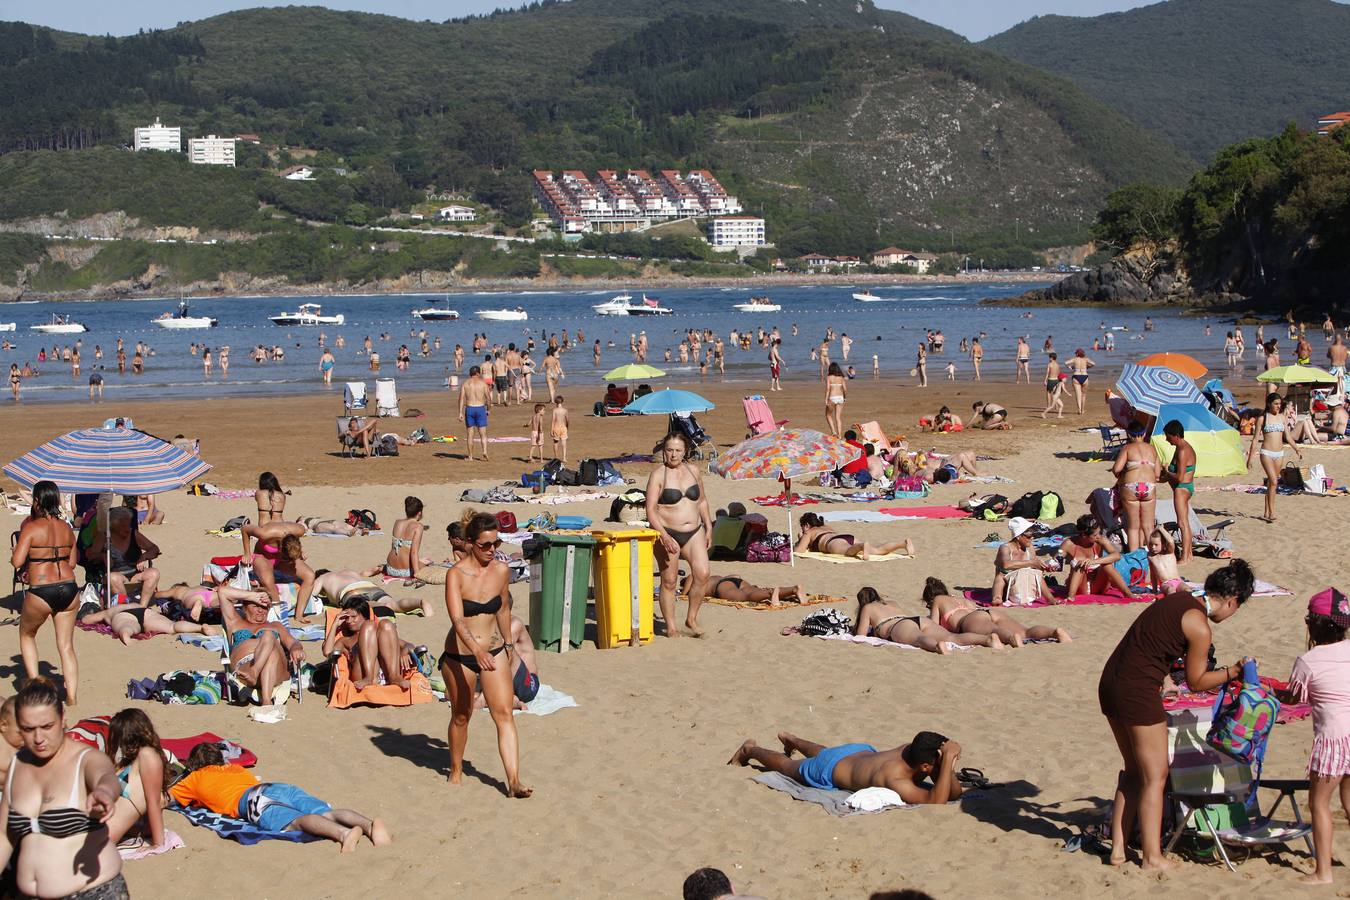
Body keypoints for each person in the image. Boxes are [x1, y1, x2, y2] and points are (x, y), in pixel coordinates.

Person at [1098, 559, 1256, 870]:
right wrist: (1233, 671)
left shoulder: (1177, 600)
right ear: (1232, 600)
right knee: (1155, 775)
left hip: (1110, 683)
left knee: (1133, 771)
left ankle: (1118, 851)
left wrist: (1165, 677)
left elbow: (1149, 644)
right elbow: (1197, 681)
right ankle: (1153, 857)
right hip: (1136, 691)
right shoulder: (1199, 624)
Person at [0, 678, 125, 899]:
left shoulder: (84, 759)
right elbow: (4, 836)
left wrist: (104, 792)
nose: (39, 738)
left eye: (47, 727)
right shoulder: (18, 765)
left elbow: (105, 776)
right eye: (28, 729)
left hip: (93, 892)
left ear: (63, 719)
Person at [439, 513, 530, 797]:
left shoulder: (501, 571)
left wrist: (509, 645)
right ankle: (455, 770)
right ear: (469, 544)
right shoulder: (456, 574)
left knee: (504, 714)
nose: (492, 550)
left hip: (494, 651)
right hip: (461, 655)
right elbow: (457, 619)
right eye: (485, 545)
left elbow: (502, 609)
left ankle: (513, 780)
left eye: (496, 543)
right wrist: (476, 651)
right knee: (462, 716)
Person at [170, 742, 389, 852]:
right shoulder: (234, 769)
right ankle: (369, 825)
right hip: (275, 786)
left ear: (195, 765)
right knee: (326, 812)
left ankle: (344, 834)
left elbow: (169, 798)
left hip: (252, 800)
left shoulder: (194, 778)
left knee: (296, 822)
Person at [1281, 588, 1350, 884]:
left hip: (1333, 737)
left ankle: (1323, 872)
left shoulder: (1309, 660)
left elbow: (1295, 698)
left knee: (1319, 803)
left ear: (1314, 625)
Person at [727, 730, 963, 805]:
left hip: (857, 752)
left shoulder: (911, 748)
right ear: (924, 767)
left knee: (825, 752)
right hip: (828, 770)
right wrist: (948, 762)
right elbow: (937, 801)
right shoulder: (895, 779)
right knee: (788, 766)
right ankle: (750, 750)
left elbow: (953, 793)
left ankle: (793, 740)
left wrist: (945, 763)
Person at [10, 481, 80, 704]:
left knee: (27, 635)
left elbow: (17, 561)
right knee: (66, 645)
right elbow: (73, 561)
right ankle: (71, 696)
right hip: (69, 587)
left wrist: (21, 553)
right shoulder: (66, 527)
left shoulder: (31, 527)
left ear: (37, 501)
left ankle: (37, 691)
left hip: (42, 589)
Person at [646, 432, 714, 637]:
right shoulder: (658, 475)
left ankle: (691, 618)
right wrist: (664, 536)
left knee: (702, 574)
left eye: (678, 450)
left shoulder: (693, 471)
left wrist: (709, 526)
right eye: (669, 450)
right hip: (668, 532)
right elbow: (650, 509)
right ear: (664, 451)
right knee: (669, 581)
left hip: (694, 531)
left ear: (685, 451)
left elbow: (701, 500)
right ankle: (671, 627)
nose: (673, 454)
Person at [219, 585, 306, 705]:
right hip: (245, 668)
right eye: (255, 606)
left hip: (274, 670)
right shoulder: (235, 622)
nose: (260, 610)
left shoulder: (276, 626)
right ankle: (266, 702)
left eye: (264, 607)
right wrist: (253, 596)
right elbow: (222, 591)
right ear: (245, 608)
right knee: (269, 644)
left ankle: (256, 674)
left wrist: (296, 648)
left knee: (268, 636)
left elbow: (292, 642)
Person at [924, 577, 1069, 646]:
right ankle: (1054, 632)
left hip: (970, 620)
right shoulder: (959, 599)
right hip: (987, 612)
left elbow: (934, 626)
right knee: (1025, 631)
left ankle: (1012, 638)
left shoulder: (937, 601)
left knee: (995, 631)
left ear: (930, 599)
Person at [856, 586, 999, 653]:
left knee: (919, 638)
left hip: (898, 626)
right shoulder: (892, 603)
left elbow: (861, 636)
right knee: (952, 637)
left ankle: (936, 647)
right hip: (918, 619)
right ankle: (986, 639)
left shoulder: (867, 608)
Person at [102, 708, 169, 850]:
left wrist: (157, 844)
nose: (119, 743)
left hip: (101, 834)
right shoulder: (130, 761)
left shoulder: (148, 755)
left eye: (120, 736)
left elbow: (153, 802)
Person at [322, 599, 417, 690]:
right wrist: (335, 624)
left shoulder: (381, 633)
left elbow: (409, 645)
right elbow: (327, 652)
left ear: (365, 617)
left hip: (386, 674)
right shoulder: (345, 640)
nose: (349, 621)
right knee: (369, 626)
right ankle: (368, 677)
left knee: (386, 623)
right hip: (361, 676)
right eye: (346, 618)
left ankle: (394, 676)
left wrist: (405, 652)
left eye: (354, 617)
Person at [240, 521, 318, 622]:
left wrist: (299, 553)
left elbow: (295, 543)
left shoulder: (300, 530)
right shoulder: (266, 533)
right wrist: (247, 553)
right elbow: (245, 529)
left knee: (310, 576)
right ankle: (279, 615)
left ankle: (299, 615)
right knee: (268, 582)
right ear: (280, 548)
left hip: (282, 559)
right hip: (263, 556)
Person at [1247, 392, 1302, 523]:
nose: (1278, 406)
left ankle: (1266, 512)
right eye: (1276, 404)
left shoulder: (1282, 417)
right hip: (1266, 453)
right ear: (1269, 404)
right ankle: (1271, 513)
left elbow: (1288, 437)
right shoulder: (1262, 418)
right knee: (1274, 482)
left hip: (1279, 454)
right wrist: (1250, 458)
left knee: (1272, 484)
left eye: (1280, 404)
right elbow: (1255, 440)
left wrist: (1297, 449)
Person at [1111, 422, 1160, 550]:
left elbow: (1116, 469)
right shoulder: (1152, 449)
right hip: (1149, 487)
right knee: (1148, 526)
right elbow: (1158, 474)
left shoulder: (1127, 448)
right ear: (1144, 434)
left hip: (1131, 487)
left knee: (1133, 527)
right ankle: (1151, 555)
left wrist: (1123, 476)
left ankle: (1134, 558)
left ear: (1128, 434)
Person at [1057, 515, 1130, 598]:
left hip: (1097, 585)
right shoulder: (1069, 544)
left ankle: (1127, 593)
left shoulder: (1100, 540)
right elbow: (1056, 562)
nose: (1098, 536)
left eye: (1099, 532)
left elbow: (1117, 555)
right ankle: (1070, 597)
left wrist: (1094, 561)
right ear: (1084, 535)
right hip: (1079, 587)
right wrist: (1051, 565)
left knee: (1107, 565)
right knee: (1080, 565)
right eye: (1095, 535)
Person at [79, 601, 214, 645]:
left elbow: (86, 620)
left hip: (124, 615)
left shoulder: (107, 612)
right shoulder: (129, 603)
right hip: (145, 611)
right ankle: (200, 628)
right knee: (172, 626)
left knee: (126, 626)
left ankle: (126, 635)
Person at [313, 568, 434, 617]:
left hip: (350, 592)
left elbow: (311, 594)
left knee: (363, 605)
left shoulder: (323, 578)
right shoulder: (347, 571)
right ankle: (420, 603)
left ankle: (380, 606)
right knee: (395, 605)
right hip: (369, 586)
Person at [795, 512, 914, 561]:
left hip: (832, 542)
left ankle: (861, 546)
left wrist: (801, 537)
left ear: (806, 525)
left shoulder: (809, 532)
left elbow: (799, 551)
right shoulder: (826, 527)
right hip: (845, 536)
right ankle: (902, 544)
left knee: (848, 551)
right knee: (877, 550)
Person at [991, 517, 1056, 606]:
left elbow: (1035, 567)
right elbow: (1006, 565)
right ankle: (997, 598)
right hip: (1007, 587)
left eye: (1033, 535)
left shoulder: (1030, 548)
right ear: (1018, 536)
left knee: (1037, 573)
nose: (1032, 538)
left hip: (1024, 586)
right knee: (1000, 576)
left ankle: (1050, 599)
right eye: (1029, 536)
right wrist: (1032, 562)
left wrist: (1045, 567)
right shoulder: (1005, 548)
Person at [1158, 419, 1197, 563]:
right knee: (1184, 522)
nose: (1166, 439)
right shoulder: (1180, 448)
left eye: (1168, 436)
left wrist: (1167, 471)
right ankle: (1189, 554)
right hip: (1182, 488)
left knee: (1182, 523)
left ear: (1176, 435)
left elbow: (1179, 477)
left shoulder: (1183, 451)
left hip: (1182, 489)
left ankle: (1185, 557)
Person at [385, 496, 425, 580]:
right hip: (405, 571)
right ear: (419, 513)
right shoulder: (418, 527)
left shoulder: (397, 522)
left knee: (421, 561)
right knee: (426, 565)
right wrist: (417, 574)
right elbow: (413, 552)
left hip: (390, 568)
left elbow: (393, 547)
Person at [460, 364, 492, 460]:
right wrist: (488, 409)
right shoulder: (483, 383)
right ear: (478, 373)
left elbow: (461, 399)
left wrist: (460, 413)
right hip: (480, 408)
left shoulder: (465, 383)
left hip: (470, 408)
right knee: (483, 433)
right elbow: (488, 399)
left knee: (470, 434)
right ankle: (485, 451)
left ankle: (470, 456)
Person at [1145, 529, 1184, 595]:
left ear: (1163, 544)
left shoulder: (1169, 552)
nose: (1153, 547)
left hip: (1177, 581)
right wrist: (1154, 590)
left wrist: (1161, 528)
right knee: (1170, 590)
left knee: (1187, 589)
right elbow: (1153, 574)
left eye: (1156, 545)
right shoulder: (1151, 556)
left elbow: (1171, 541)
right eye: (1151, 544)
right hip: (1165, 584)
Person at [1068, 349, 1095, 415]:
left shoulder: (1075, 359)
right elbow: (1093, 363)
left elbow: (1066, 363)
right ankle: (1082, 410)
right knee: (1084, 395)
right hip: (1084, 376)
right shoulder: (1086, 359)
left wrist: (1070, 367)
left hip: (1076, 376)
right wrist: (1088, 367)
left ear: (1077, 354)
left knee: (1078, 395)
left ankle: (1079, 409)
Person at [824, 362, 847, 436]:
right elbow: (845, 389)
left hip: (832, 397)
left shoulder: (829, 377)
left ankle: (834, 432)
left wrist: (826, 399)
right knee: (838, 417)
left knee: (828, 415)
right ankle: (840, 435)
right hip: (840, 397)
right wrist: (844, 397)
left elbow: (828, 389)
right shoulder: (841, 377)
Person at [1041, 353, 1064, 418]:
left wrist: (1045, 380)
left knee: (1048, 393)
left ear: (1051, 358)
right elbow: (1059, 373)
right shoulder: (1057, 365)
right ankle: (1056, 406)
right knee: (1055, 393)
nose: (1049, 359)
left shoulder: (1050, 364)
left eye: (1049, 357)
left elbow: (1047, 373)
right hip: (1056, 380)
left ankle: (1049, 405)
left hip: (1050, 380)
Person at [551, 395, 569, 462]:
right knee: (564, 443)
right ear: (562, 401)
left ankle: (556, 457)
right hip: (563, 427)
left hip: (556, 427)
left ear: (556, 402)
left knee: (556, 442)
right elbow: (567, 420)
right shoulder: (565, 410)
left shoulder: (555, 410)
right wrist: (567, 426)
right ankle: (564, 458)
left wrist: (551, 430)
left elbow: (553, 420)